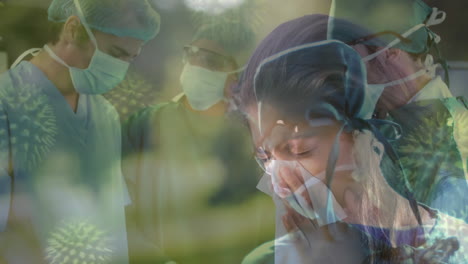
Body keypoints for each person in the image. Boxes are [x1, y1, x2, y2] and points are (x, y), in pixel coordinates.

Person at [237, 25, 468, 263]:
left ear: (366, 139)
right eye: (265, 158)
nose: (278, 183)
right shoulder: (269, 259)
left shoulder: (453, 210)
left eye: (299, 149)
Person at [0, 0, 160, 263]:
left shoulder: (104, 115)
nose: (121, 68)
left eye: (130, 58)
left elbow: (116, 220)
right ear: (73, 30)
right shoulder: (7, 104)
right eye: (116, 53)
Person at [122, 13, 269, 263]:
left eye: (211, 60)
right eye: (192, 54)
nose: (196, 65)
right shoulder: (145, 125)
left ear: (239, 75)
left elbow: (261, 218)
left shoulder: (249, 139)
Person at [329, 0, 468, 220]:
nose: (343, 73)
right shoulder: (377, 133)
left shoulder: (456, 139)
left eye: (347, 56)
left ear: (389, 52)